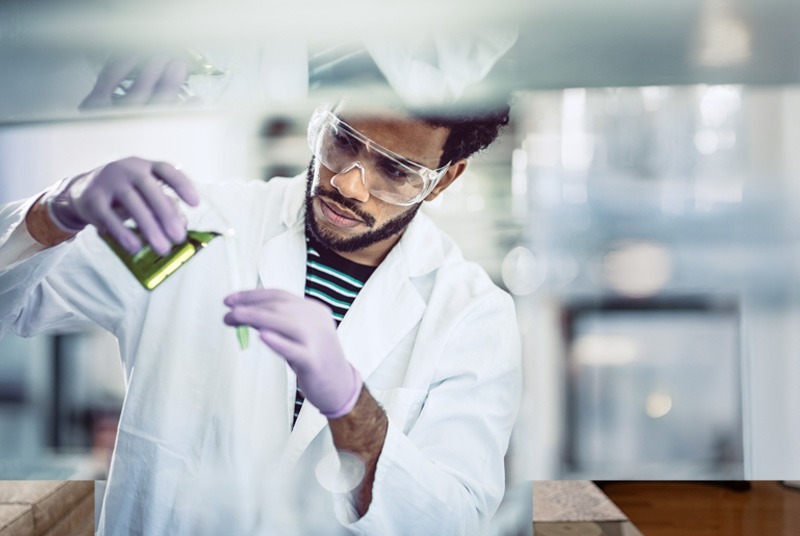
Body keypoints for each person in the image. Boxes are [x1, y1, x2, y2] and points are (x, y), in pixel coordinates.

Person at [0, 98, 521, 534]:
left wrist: (351, 406)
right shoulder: (195, 230)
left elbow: (453, 520)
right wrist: (54, 212)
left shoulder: (472, 317)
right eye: (342, 140)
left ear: (444, 179)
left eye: (396, 170)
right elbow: (17, 303)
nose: (349, 184)